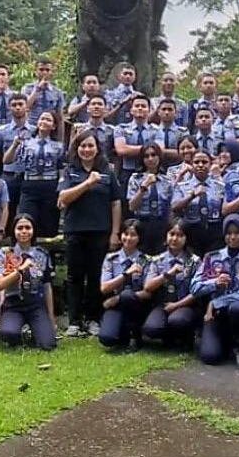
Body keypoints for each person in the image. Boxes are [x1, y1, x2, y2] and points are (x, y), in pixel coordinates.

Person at [58, 130, 122, 338]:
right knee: (75, 277)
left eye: (90, 146)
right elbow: (63, 199)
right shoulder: (69, 171)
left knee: (96, 277)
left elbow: (115, 203)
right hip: (75, 230)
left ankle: (94, 319)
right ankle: (74, 321)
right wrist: (87, 183)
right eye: (82, 146)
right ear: (77, 149)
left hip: (100, 232)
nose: (86, 150)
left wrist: (114, 233)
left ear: (97, 149)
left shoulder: (107, 171)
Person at [192, 215, 239, 370]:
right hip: (215, 316)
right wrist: (214, 283)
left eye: (237, 233)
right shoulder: (211, 258)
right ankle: (222, 341)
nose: (233, 237)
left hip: (237, 315)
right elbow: (195, 288)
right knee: (210, 357)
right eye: (229, 233)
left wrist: (215, 303)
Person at [0, 214, 57, 350]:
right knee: (9, 334)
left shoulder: (42, 254)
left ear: (33, 231)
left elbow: (47, 286)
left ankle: (38, 330)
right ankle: (15, 330)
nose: (24, 231)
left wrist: (51, 317)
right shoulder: (4, 254)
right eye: (20, 228)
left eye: (28, 228)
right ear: (14, 231)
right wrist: (20, 271)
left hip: (35, 303)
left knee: (48, 344)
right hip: (13, 303)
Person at [141, 220, 201, 346]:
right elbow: (147, 287)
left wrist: (176, 305)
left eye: (180, 235)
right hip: (163, 304)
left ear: (186, 238)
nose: (175, 238)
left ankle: (186, 336)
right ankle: (169, 337)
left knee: (178, 321)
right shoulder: (158, 259)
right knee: (151, 329)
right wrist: (168, 274)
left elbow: (197, 292)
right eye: (172, 234)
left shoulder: (194, 261)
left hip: (185, 305)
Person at [7, 111, 65, 238]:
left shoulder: (59, 146)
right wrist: (15, 144)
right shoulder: (26, 143)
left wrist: (61, 188)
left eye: (48, 120)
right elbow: (7, 160)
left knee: (49, 221)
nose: (44, 122)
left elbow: (61, 169)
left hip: (50, 184)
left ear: (54, 126)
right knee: (26, 218)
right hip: (30, 183)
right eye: (42, 118)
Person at [98, 220, 151, 352]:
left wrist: (117, 298)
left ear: (139, 238)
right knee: (107, 338)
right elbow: (104, 288)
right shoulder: (111, 259)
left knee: (127, 295)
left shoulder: (147, 260)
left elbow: (148, 292)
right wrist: (126, 275)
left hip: (138, 306)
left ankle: (135, 336)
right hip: (116, 308)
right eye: (125, 234)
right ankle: (123, 334)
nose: (128, 238)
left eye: (133, 235)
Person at [0, 93, 35, 232]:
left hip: (28, 176)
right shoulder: (1, 131)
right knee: (7, 208)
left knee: (27, 211)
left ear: (26, 107)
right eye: (14, 105)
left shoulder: (35, 131)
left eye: (20, 104)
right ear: (10, 108)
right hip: (8, 175)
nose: (17, 108)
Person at [172, 150, 226, 258]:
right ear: (191, 164)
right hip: (191, 233)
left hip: (214, 232)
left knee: (213, 269)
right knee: (190, 268)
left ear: (210, 164)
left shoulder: (220, 186)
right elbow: (174, 206)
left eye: (204, 162)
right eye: (196, 162)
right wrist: (192, 195)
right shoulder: (182, 186)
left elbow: (225, 210)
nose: (200, 165)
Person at [127, 144, 173, 255]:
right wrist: (144, 187)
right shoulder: (135, 178)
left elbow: (171, 207)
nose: (150, 159)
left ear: (159, 157)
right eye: (146, 156)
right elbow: (132, 206)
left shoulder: (167, 180)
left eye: (153, 155)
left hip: (161, 224)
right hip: (142, 223)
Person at [113, 94, 162, 189]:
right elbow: (121, 150)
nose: (140, 108)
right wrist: (149, 148)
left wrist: (130, 149)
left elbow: (160, 150)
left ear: (149, 110)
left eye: (143, 106)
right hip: (127, 172)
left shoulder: (156, 130)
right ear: (131, 110)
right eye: (137, 106)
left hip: (150, 171)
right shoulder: (121, 128)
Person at [22, 57, 66, 139]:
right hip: (32, 127)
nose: (44, 72)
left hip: (50, 129)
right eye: (41, 70)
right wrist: (37, 89)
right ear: (36, 71)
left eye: (47, 70)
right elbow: (25, 107)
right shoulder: (28, 88)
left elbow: (60, 117)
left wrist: (61, 139)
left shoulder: (57, 92)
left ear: (52, 72)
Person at [154, 98, 187, 162]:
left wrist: (159, 151)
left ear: (176, 113)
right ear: (158, 112)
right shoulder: (152, 131)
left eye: (170, 110)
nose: (166, 112)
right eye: (164, 109)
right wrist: (174, 152)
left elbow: (185, 153)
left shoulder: (182, 132)